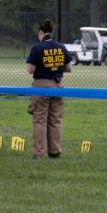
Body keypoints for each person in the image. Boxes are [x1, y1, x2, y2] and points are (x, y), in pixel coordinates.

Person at [26, 20, 73, 159]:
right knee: (55, 120)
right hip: (58, 87)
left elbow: (30, 69)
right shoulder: (61, 47)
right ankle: (55, 151)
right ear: (51, 33)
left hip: (41, 86)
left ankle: (39, 153)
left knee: (40, 120)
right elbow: (69, 68)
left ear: (41, 33)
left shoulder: (37, 48)